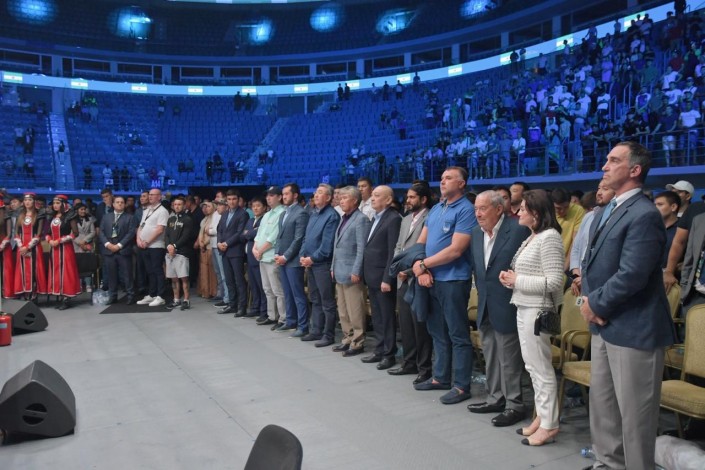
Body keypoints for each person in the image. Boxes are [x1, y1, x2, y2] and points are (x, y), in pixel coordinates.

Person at [579, 141, 676, 469]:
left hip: (635, 327)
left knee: (635, 418)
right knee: (604, 408)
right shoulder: (610, 208)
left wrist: (594, 305)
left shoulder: (644, 214)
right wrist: (590, 304)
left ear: (634, 170)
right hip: (605, 323)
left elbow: (632, 275)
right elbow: (593, 264)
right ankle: (607, 464)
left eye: (613, 160)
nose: (604, 166)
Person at [499, 189, 564, 446]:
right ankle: (542, 417)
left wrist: (518, 280)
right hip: (525, 305)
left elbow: (554, 282)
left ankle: (549, 424)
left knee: (541, 369)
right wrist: (510, 279)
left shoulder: (550, 237)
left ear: (536, 213)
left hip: (537, 310)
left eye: (523, 209)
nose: (518, 213)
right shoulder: (533, 236)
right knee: (532, 368)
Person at [411, 167, 476, 405]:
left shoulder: (466, 210)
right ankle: (441, 377)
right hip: (431, 278)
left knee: (457, 334)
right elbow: (421, 242)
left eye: (448, 178)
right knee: (437, 332)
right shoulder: (437, 209)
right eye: (441, 178)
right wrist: (421, 267)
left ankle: (461, 385)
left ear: (462, 183)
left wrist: (423, 265)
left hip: (453, 279)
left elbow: (456, 250)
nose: (442, 182)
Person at [468, 190, 531, 428]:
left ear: (498, 208)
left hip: (508, 303)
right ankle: (495, 398)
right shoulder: (475, 233)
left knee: (509, 359)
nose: (478, 213)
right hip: (485, 303)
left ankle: (515, 405)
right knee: (491, 355)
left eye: (482, 208)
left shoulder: (517, 230)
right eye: (476, 209)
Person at [388, 183, 433, 384]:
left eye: (412, 197)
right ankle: (409, 362)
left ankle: (424, 368)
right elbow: (399, 247)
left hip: (417, 277)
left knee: (420, 327)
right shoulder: (406, 219)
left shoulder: (430, 218)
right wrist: (398, 268)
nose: (408, 200)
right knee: (405, 324)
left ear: (423, 199)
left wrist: (407, 270)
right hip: (402, 278)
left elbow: (426, 249)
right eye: (407, 197)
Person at [361, 185, 401, 370]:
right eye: (372, 195)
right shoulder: (374, 218)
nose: (372, 198)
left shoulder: (393, 219)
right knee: (377, 316)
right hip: (371, 275)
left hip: (383, 277)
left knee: (386, 317)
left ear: (388, 200)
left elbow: (392, 251)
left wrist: (387, 278)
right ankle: (379, 350)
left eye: (377, 195)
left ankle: (389, 353)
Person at [331, 186, 372, 356]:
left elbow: (362, 249)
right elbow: (337, 246)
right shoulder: (343, 218)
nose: (341, 201)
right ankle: (347, 338)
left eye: (344, 198)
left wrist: (357, 270)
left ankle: (358, 342)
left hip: (352, 272)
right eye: (340, 198)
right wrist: (332, 267)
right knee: (342, 310)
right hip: (339, 270)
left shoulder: (361, 219)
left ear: (355, 201)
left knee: (355, 310)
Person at [299, 183, 340, 347]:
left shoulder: (332, 216)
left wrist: (312, 258)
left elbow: (327, 246)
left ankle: (328, 335)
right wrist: (303, 255)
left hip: (322, 264)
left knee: (327, 301)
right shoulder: (313, 213)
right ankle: (316, 330)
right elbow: (306, 238)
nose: (316, 195)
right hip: (310, 263)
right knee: (315, 298)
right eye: (316, 192)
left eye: (320, 193)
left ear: (328, 198)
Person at [274, 183, 310, 335]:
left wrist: (286, 256)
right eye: (283, 194)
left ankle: (303, 325)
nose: (284, 197)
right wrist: (277, 253)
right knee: (287, 292)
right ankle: (290, 321)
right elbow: (280, 236)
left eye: (287, 194)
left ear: (295, 195)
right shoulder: (284, 213)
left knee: (298, 294)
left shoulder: (301, 213)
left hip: (293, 261)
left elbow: (298, 238)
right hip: (282, 258)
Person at [253, 187, 286, 327]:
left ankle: (283, 318)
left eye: (272, 195)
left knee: (278, 290)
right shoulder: (266, 215)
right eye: (267, 195)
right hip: (261, 257)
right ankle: (272, 316)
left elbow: (273, 237)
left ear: (279, 197)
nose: (268, 198)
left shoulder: (282, 212)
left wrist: (259, 251)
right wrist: (255, 249)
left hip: (272, 257)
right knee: (267, 289)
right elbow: (259, 234)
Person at [98, 195, 137, 305]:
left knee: (127, 275)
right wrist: (107, 244)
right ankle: (113, 296)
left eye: (122, 202)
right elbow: (101, 232)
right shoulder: (106, 217)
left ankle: (130, 295)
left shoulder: (130, 217)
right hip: (109, 250)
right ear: (113, 204)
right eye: (117, 202)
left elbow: (131, 233)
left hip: (123, 250)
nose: (120, 204)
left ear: (125, 205)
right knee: (111, 275)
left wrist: (119, 245)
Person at [45, 195, 82, 310]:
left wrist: (60, 240)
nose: (55, 205)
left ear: (63, 204)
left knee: (66, 272)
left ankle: (66, 298)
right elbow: (47, 232)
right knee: (56, 271)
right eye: (54, 203)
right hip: (54, 249)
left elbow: (75, 233)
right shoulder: (52, 216)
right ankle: (60, 296)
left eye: (57, 203)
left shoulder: (70, 216)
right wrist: (50, 240)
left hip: (65, 248)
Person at [216, 189, 249, 316]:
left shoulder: (243, 214)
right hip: (224, 251)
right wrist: (219, 242)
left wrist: (226, 243)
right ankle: (232, 304)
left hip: (236, 251)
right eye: (229, 199)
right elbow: (219, 230)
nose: (231, 201)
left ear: (238, 200)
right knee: (229, 280)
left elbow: (240, 233)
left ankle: (242, 307)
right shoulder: (225, 214)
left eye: (234, 199)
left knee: (239, 280)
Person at [136, 189, 169, 307]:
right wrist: (138, 239)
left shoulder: (162, 211)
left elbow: (160, 230)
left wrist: (147, 241)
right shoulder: (147, 210)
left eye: (152, 195)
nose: (150, 196)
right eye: (149, 194)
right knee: (149, 271)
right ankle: (152, 294)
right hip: (144, 245)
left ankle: (160, 296)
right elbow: (140, 226)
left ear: (159, 197)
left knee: (157, 270)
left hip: (156, 246)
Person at [13, 193, 47, 302]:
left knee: (34, 270)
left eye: (30, 200)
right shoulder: (20, 214)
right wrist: (21, 246)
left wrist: (27, 247)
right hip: (21, 247)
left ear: (34, 201)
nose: (27, 202)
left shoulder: (39, 214)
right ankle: (25, 293)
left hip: (34, 247)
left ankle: (34, 294)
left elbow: (39, 234)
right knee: (22, 270)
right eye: (26, 200)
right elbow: (16, 232)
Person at [164, 196, 195, 310]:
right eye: (175, 204)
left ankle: (186, 300)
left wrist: (175, 246)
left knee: (184, 278)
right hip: (170, 253)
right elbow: (166, 234)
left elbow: (186, 236)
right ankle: (176, 299)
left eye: (179, 204)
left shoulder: (187, 219)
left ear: (184, 205)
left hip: (182, 252)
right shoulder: (170, 219)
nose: (177, 206)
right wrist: (168, 246)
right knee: (174, 278)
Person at [240, 196, 266, 318]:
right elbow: (243, 235)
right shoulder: (250, 220)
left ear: (264, 207)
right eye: (253, 206)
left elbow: (253, 234)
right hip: (249, 258)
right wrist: (251, 232)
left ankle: (263, 310)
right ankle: (255, 307)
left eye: (258, 206)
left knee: (262, 285)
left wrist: (249, 233)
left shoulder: (265, 220)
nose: (255, 208)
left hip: (259, 256)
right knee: (253, 284)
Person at [197, 201, 218, 300]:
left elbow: (212, 234)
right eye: (204, 207)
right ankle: (205, 291)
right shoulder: (204, 219)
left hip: (210, 247)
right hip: (203, 247)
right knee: (204, 270)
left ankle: (213, 291)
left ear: (214, 207)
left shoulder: (215, 218)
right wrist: (200, 243)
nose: (206, 208)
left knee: (212, 271)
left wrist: (204, 243)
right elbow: (200, 232)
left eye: (208, 206)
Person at [73, 203, 96, 292]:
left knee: (87, 265)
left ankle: (88, 285)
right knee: (77, 265)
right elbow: (71, 233)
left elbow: (93, 232)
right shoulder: (72, 220)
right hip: (76, 245)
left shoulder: (90, 219)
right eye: (81, 209)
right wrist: (80, 243)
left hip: (87, 244)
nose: (83, 211)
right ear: (77, 210)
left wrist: (85, 241)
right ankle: (78, 284)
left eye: (84, 209)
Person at [0, 199, 16, 299]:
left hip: (4, 244)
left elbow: (9, 234)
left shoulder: (6, 215)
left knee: (6, 270)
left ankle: (6, 292)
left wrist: (2, 245)